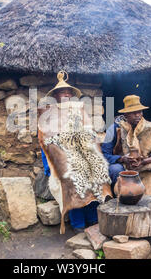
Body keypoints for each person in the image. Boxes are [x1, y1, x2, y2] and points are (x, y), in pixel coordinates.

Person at [38, 71, 111, 234]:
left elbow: (90, 135)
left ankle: (93, 219)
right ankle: (78, 223)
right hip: (61, 159)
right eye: (63, 92)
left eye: (69, 92)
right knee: (72, 179)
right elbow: (45, 142)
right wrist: (49, 167)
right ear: (56, 96)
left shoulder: (79, 111)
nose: (67, 94)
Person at [101, 95, 151, 220]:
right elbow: (105, 154)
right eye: (133, 113)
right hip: (123, 164)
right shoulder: (113, 129)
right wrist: (123, 159)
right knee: (116, 170)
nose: (138, 115)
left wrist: (144, 161)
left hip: (142, 165)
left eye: (139, 112)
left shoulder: (149, 128)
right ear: (126, 114)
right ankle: (120, 204)